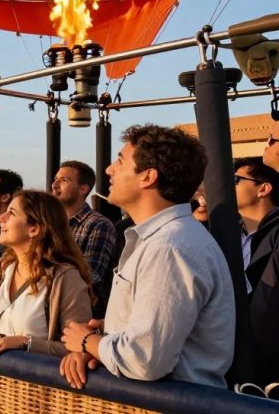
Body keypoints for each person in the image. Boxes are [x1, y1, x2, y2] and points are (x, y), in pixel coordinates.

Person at [59, 124, 235, 389]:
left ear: (148, 177)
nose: (109, 169)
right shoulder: (164, 240)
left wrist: (86, 341)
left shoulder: (170, 247)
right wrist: (111, 334)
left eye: (120, 161)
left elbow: (145, 360)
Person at [0, 190, 93, 365]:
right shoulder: (0, 268)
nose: (1, 218)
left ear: (34, 229)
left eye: (12, 213)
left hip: (37, 387)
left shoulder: (66, 278)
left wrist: (24, 343)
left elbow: (77, 346)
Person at [51, 160, 117, 316]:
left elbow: (90, 278)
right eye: (56, 179)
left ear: (83, 189)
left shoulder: (99, 225)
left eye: (64, 180)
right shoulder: (49, 223)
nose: (54, 184)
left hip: (77, 314)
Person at [239, 154, 279, 385]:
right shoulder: (224, 234)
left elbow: (267, 308)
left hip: (263, 372)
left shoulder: (275, 235)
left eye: (235, 179)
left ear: (263, 189)